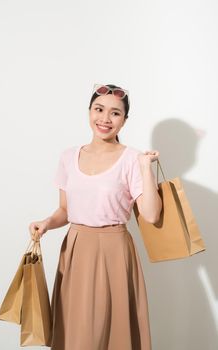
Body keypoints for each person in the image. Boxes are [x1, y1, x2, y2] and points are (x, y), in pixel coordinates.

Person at [29, 83, 162, 350]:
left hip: (114, 251)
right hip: (76, 251)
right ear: (89, 111)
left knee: (111, 332)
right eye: (99, 109)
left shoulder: (132, 159)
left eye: (115, 113)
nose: (105, 119)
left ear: (124, 120)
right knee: (77, 332)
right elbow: (65, 210)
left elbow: (151, 214)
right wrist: (46, 223)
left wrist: (146, 169)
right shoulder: (69, 157)